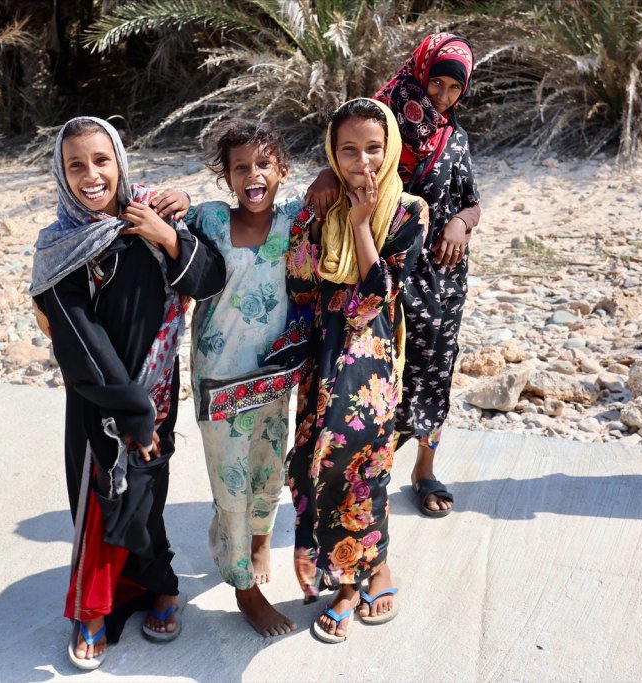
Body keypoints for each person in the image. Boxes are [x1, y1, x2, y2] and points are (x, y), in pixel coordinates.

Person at [29, 117, 225, 668]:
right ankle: (92, 610)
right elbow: (77, 339)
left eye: (101, 161)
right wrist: (131, 409)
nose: (91, 176)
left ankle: (158, 585)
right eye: (76, 165)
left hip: (159, 388)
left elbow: (208, 280)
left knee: (147, 494)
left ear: (119, 160)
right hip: (101, 399)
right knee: (100, 500)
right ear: (61, 175)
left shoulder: (154, 213)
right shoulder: (60, 244)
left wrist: (166, 235)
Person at [307, 34, 480, 517]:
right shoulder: (378, 120)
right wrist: (324, 175)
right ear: (419, 72)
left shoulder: (455, 138)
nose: (442, 96)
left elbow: (471, 200)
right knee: (368, 370)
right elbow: (345, 160)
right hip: (376, 264)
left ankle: (424, 469)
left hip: (438, 275)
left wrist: (460, 225)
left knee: (432, 368)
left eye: (453, 88)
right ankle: (361, 473)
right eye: (437, 83)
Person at [286, 98, 427, 642]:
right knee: (312, 462)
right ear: (331, 152)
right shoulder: (321, 200)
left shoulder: (410, 210)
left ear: (390, 148)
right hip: (320, 348)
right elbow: (300, 281)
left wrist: (361, 223)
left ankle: (353, 580)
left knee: (357, 460)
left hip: (368, 351)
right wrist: (320, 215)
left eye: (373, 147)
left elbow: (377, 294)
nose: (362, 161)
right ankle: (353, 567)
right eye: (348, 150)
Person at [185, 119, 305, 637]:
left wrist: (324, 178)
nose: (252, 176)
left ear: (281, 169)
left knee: (267, 469)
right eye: (240, 168)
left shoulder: (295, 218)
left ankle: (260, 538)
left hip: (273, 376)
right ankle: (245, 590)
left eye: (263, 164)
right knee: (230, 484)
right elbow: (165, 229)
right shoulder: (210, 220)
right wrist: (167, 199)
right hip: (219, 378)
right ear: (227, 176)